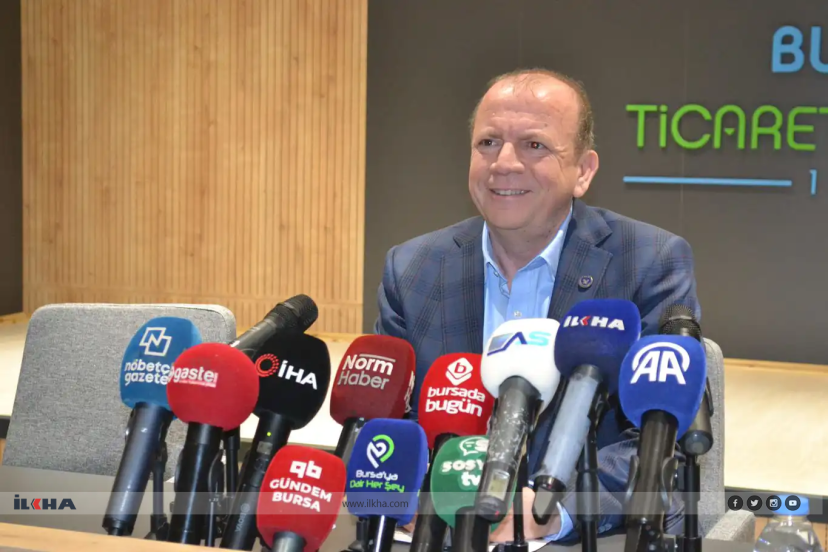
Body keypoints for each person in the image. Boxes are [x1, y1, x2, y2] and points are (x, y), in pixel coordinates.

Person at [373, 68, 700, 541]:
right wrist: (399, 494)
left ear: (583, 171)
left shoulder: (648, 261)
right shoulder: (412, 269)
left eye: (534, 145)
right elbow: (389, 426)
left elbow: (657, 444)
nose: (503, 163)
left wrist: (552, 510)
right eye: (488, 142)